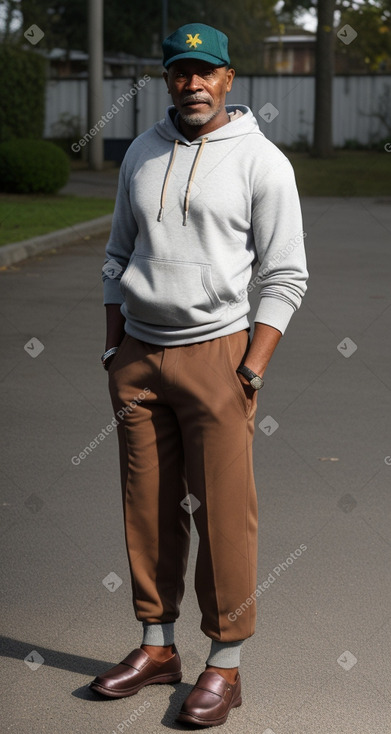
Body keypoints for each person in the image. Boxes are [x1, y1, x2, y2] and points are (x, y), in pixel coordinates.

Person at [90, 22, 308, 728]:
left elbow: (284, 274)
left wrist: (250, 367)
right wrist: (113, 347)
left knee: (223, 518)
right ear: (167, 79)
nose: (192, 84)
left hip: (218, 355)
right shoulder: (142, 154)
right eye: (180, 72)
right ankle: (157, 648)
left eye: (205, 71)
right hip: (138, 360)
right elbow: (117, 251)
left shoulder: (262, 162)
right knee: (147, 509)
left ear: (227, 79)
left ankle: (225, 664)